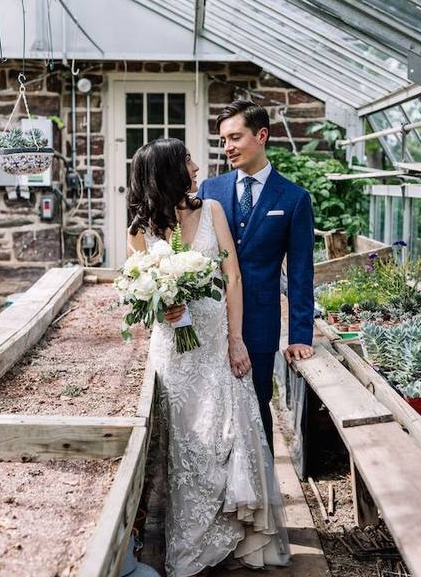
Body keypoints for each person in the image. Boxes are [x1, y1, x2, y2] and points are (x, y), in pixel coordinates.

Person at [126, 137, 290, 577]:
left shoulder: (212, 211)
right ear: (167, 172)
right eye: (186, 160)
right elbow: (138, 302)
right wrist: (162, 306)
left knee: (228, 435)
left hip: (217, 346)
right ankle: (187, 542)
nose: (197, 166)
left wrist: (236, 341)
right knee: (185, 446)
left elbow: (232, 278)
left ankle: (232, 533)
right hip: (175, 356)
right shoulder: (140, 232)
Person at [197, 99, 315, 451]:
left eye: (235, 137)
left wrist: (300, 335)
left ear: (261, 135)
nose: (227, 147)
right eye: (223, 140)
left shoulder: (294, 199)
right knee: (213, 406)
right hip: (211, 320)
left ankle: (261, 485)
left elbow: (299, 273)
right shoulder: (209, 190)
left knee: (257, 405)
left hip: (261, 325)